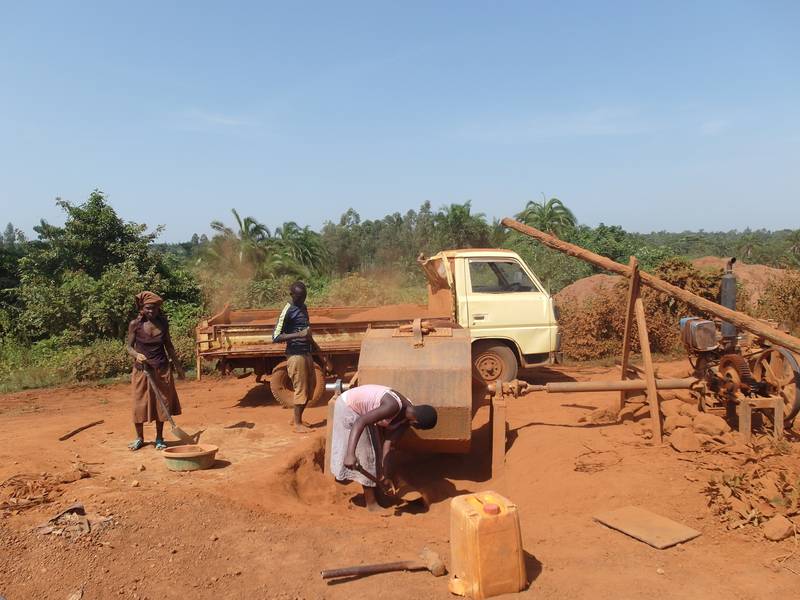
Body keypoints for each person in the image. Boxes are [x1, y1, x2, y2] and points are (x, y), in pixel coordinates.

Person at [329, 384, 437, 512]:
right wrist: (350, 454)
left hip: (363, 413)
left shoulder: (407, 418)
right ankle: (371, 503)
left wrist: (386, 476)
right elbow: (360, 422)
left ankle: (379, 494)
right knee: (366, 456)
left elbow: (389, 445)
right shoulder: (393, 406)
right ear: (416, 422)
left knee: (376, 453)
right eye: (419, 428)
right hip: (348, 406)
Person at [125, 291, 185, 451]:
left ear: (159, 309)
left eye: (155, 308)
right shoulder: (134, 324)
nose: (152, 311)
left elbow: (169, 346)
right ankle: (139, 438)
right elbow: (129, 347)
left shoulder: (163, 323)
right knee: (139, 405)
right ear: (142, 308)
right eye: (148, 308)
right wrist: (136, 354)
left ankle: (159, 438)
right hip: (142, 370)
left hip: (162, 368)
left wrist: (178, 367)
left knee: (162, 405)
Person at [272, 281, 320, 433]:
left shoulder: (303, 308)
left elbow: (307, 331)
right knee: (301, 389)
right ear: (292, 295)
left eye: (304, 297)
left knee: (311, 387)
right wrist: (298, 335)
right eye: (299, 297)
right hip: (295, 354)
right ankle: (298, 424)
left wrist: (314, 344)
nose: (302, 300)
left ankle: (296, 419)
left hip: (306, 352)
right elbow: (276, 336)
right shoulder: (287, 310)